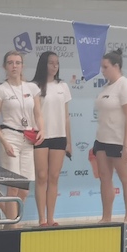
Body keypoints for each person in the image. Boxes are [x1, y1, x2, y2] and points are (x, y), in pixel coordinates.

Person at [0, 51, 43, 223]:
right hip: (10, 137)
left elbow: (38, 113)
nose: (14, 66)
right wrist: (4, 142)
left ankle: (10, 221)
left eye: (17, 63)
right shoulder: (0, 90)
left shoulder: (32, 88)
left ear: (22, 66)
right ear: (5, 66)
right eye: (10, 63)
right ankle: (13, 226)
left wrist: (42, 130)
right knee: (13, 187)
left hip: (28, 138)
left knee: (24, 189)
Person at [93, 48, 127, 223]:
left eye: (105, 67)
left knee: (126, 179)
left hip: (119, 141)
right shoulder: (106, 87)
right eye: (101, 67)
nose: (102, 71)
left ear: (116, 66)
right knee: (104, 178)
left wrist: (126, 146)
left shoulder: (126, 86)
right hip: (102, 139)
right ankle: (106, 218)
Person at [30, 51, 72, 226]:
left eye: (57, 63)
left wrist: (68, 141)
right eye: (51, 63)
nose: (55, 66)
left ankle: (51, 218)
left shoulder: (63, 86)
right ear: (43, 64)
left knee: (54, 177)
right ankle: (42, 219)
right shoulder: (34, 86)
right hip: (41, 136)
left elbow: (66, 116)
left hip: (59, 137)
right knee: (41, 176)